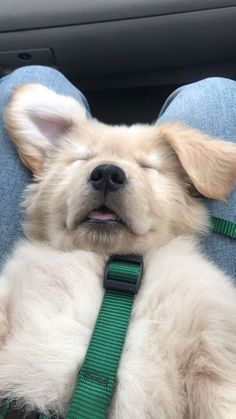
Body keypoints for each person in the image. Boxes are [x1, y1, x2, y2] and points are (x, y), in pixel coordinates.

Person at [0, 66, 235, 280]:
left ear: (188, 187)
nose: (106, 174)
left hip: (168, 271)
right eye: (82, 159)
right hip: (46, 267)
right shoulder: (18, 279)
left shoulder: (196, 285)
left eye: (146, 166)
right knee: (217, 91)